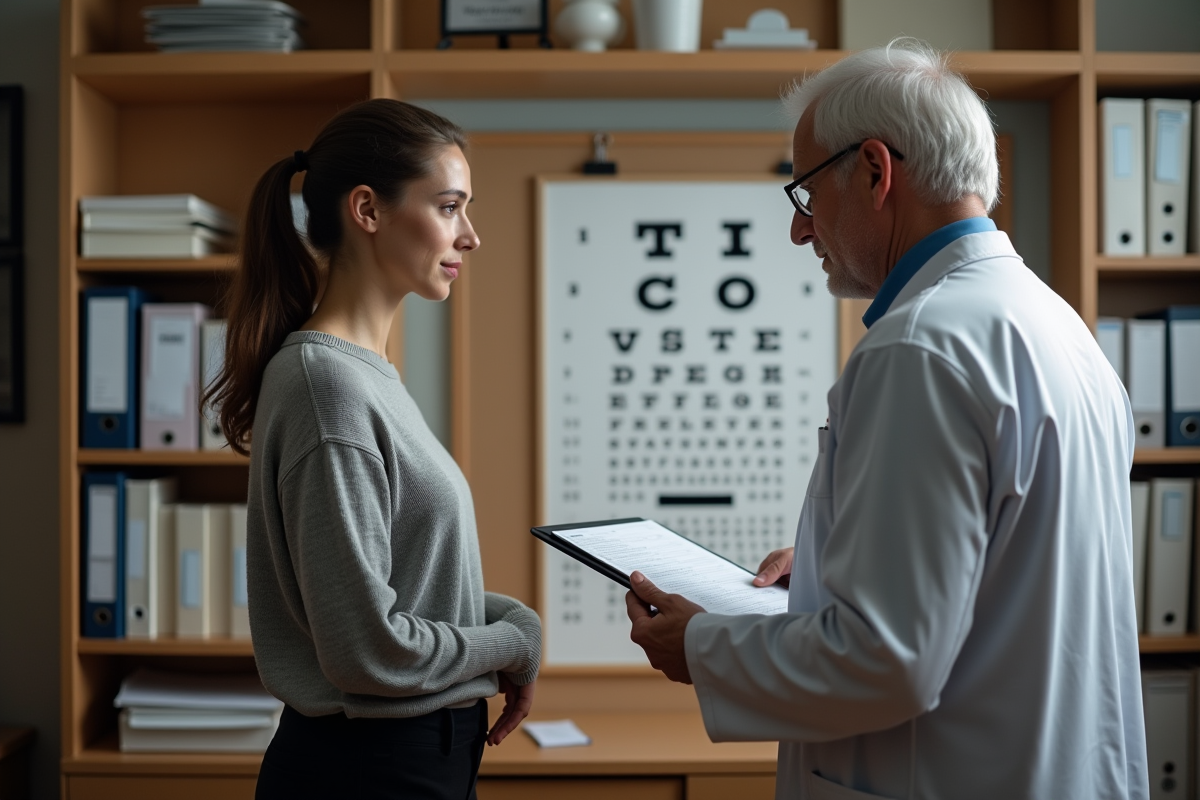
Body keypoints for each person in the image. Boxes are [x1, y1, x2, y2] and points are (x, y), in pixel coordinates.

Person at [624, 40, 1148, 800]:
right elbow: (1015, 566)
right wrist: (846, 564)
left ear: (875, 170)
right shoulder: (1057, 327)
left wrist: (701, 646)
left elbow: (889, 661)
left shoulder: (918, 348)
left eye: (805, 194)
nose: (802, 232)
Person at [205, 99, 542, 800]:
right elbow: (367, 650)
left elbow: (400, 584)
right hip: (374, 767)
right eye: (449, 206)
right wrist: (509, 644)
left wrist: (510, 618)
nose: (470, 235)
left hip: (412, 755)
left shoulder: (364, 376)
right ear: (368, 210)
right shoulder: (327, 387)